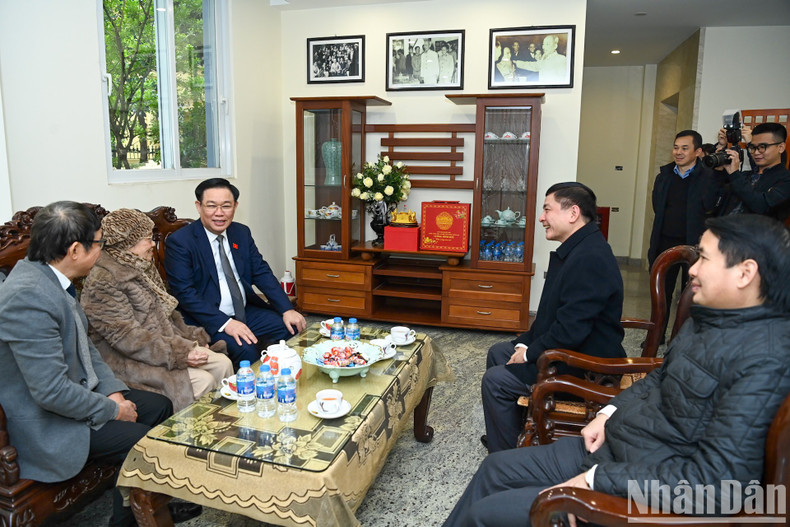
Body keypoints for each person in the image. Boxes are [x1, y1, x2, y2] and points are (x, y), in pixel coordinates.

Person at [444, 214, 790, 527]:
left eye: (704, 258)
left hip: (636, 486)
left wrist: (596, 483)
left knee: (484, 517)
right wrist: (609, 412)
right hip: (614, 448)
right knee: (495, 468)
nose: (694, 269)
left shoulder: (766, 360)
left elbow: (717, 488)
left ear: (745, 273)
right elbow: (659, 376)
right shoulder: (711, 318)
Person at [0, 201, 202, 526]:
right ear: (76, 249)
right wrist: (112, 410)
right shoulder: (27, 299)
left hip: (77, 394)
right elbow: (50, 392)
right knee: (144, 443)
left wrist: (113, 392)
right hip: (49, 423)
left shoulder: (51, 278)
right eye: (98, 244)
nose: (102, 251)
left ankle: (146, 502)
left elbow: (87, 350)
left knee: (159, 407)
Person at [481, 182, 625, 453]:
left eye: (547, 209)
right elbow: (552, 313)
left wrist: (528, 354)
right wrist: (525, 344)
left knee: (496, 381)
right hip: (570, 346)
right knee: (499, 352)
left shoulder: (589, 257)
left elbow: (570, 330)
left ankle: (507, 459)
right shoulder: (579, 247)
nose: (541, 217)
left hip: (585, 363)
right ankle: (511, 434)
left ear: (572, 213)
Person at [81, 209, 233, 412]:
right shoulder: (104, 281)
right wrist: (180, 354)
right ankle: (193, 437)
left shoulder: (141, 266)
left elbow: (165, 316)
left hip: (162, 345)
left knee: (222, 363)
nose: (153, 244)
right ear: (128, 244)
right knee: (202, 380)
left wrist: (190, 337)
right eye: (147, 239)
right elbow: (128, 339)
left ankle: (228, 422)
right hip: (128, 359)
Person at [166, 178, 306, 368]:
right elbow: (184, 293)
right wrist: (226, 323)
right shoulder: (181, 241)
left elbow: (261, 272)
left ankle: (287, 382)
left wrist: (286, 309)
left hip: (244, 310)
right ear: (198, 207)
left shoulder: (241, 232)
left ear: (235, 206)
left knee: (291, 327)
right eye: (211, 206)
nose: (219, 213)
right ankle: (247, 393)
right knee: (245, 349)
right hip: (208, 318)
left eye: (226, 206)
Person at [647, 130, 718, 342]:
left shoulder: (707, 177)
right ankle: (657, 335)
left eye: (684, 148)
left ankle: (681, 338)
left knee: (691, 294)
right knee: (661, 292)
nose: (678, 152)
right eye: (676, 147)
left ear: (697, 152)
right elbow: (656, 206)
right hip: (664, 242)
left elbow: (709, 205)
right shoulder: (664, 176)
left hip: (694, 244)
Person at [717, 122, 790, 222]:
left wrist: (735, 174)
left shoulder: (785, 179)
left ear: (781, 147)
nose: (756, 153)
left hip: (757, 235)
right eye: (753, 147)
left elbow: (762, 206)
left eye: (762, 147)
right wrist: (718, 171)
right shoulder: (745, 176)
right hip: (723, 231)